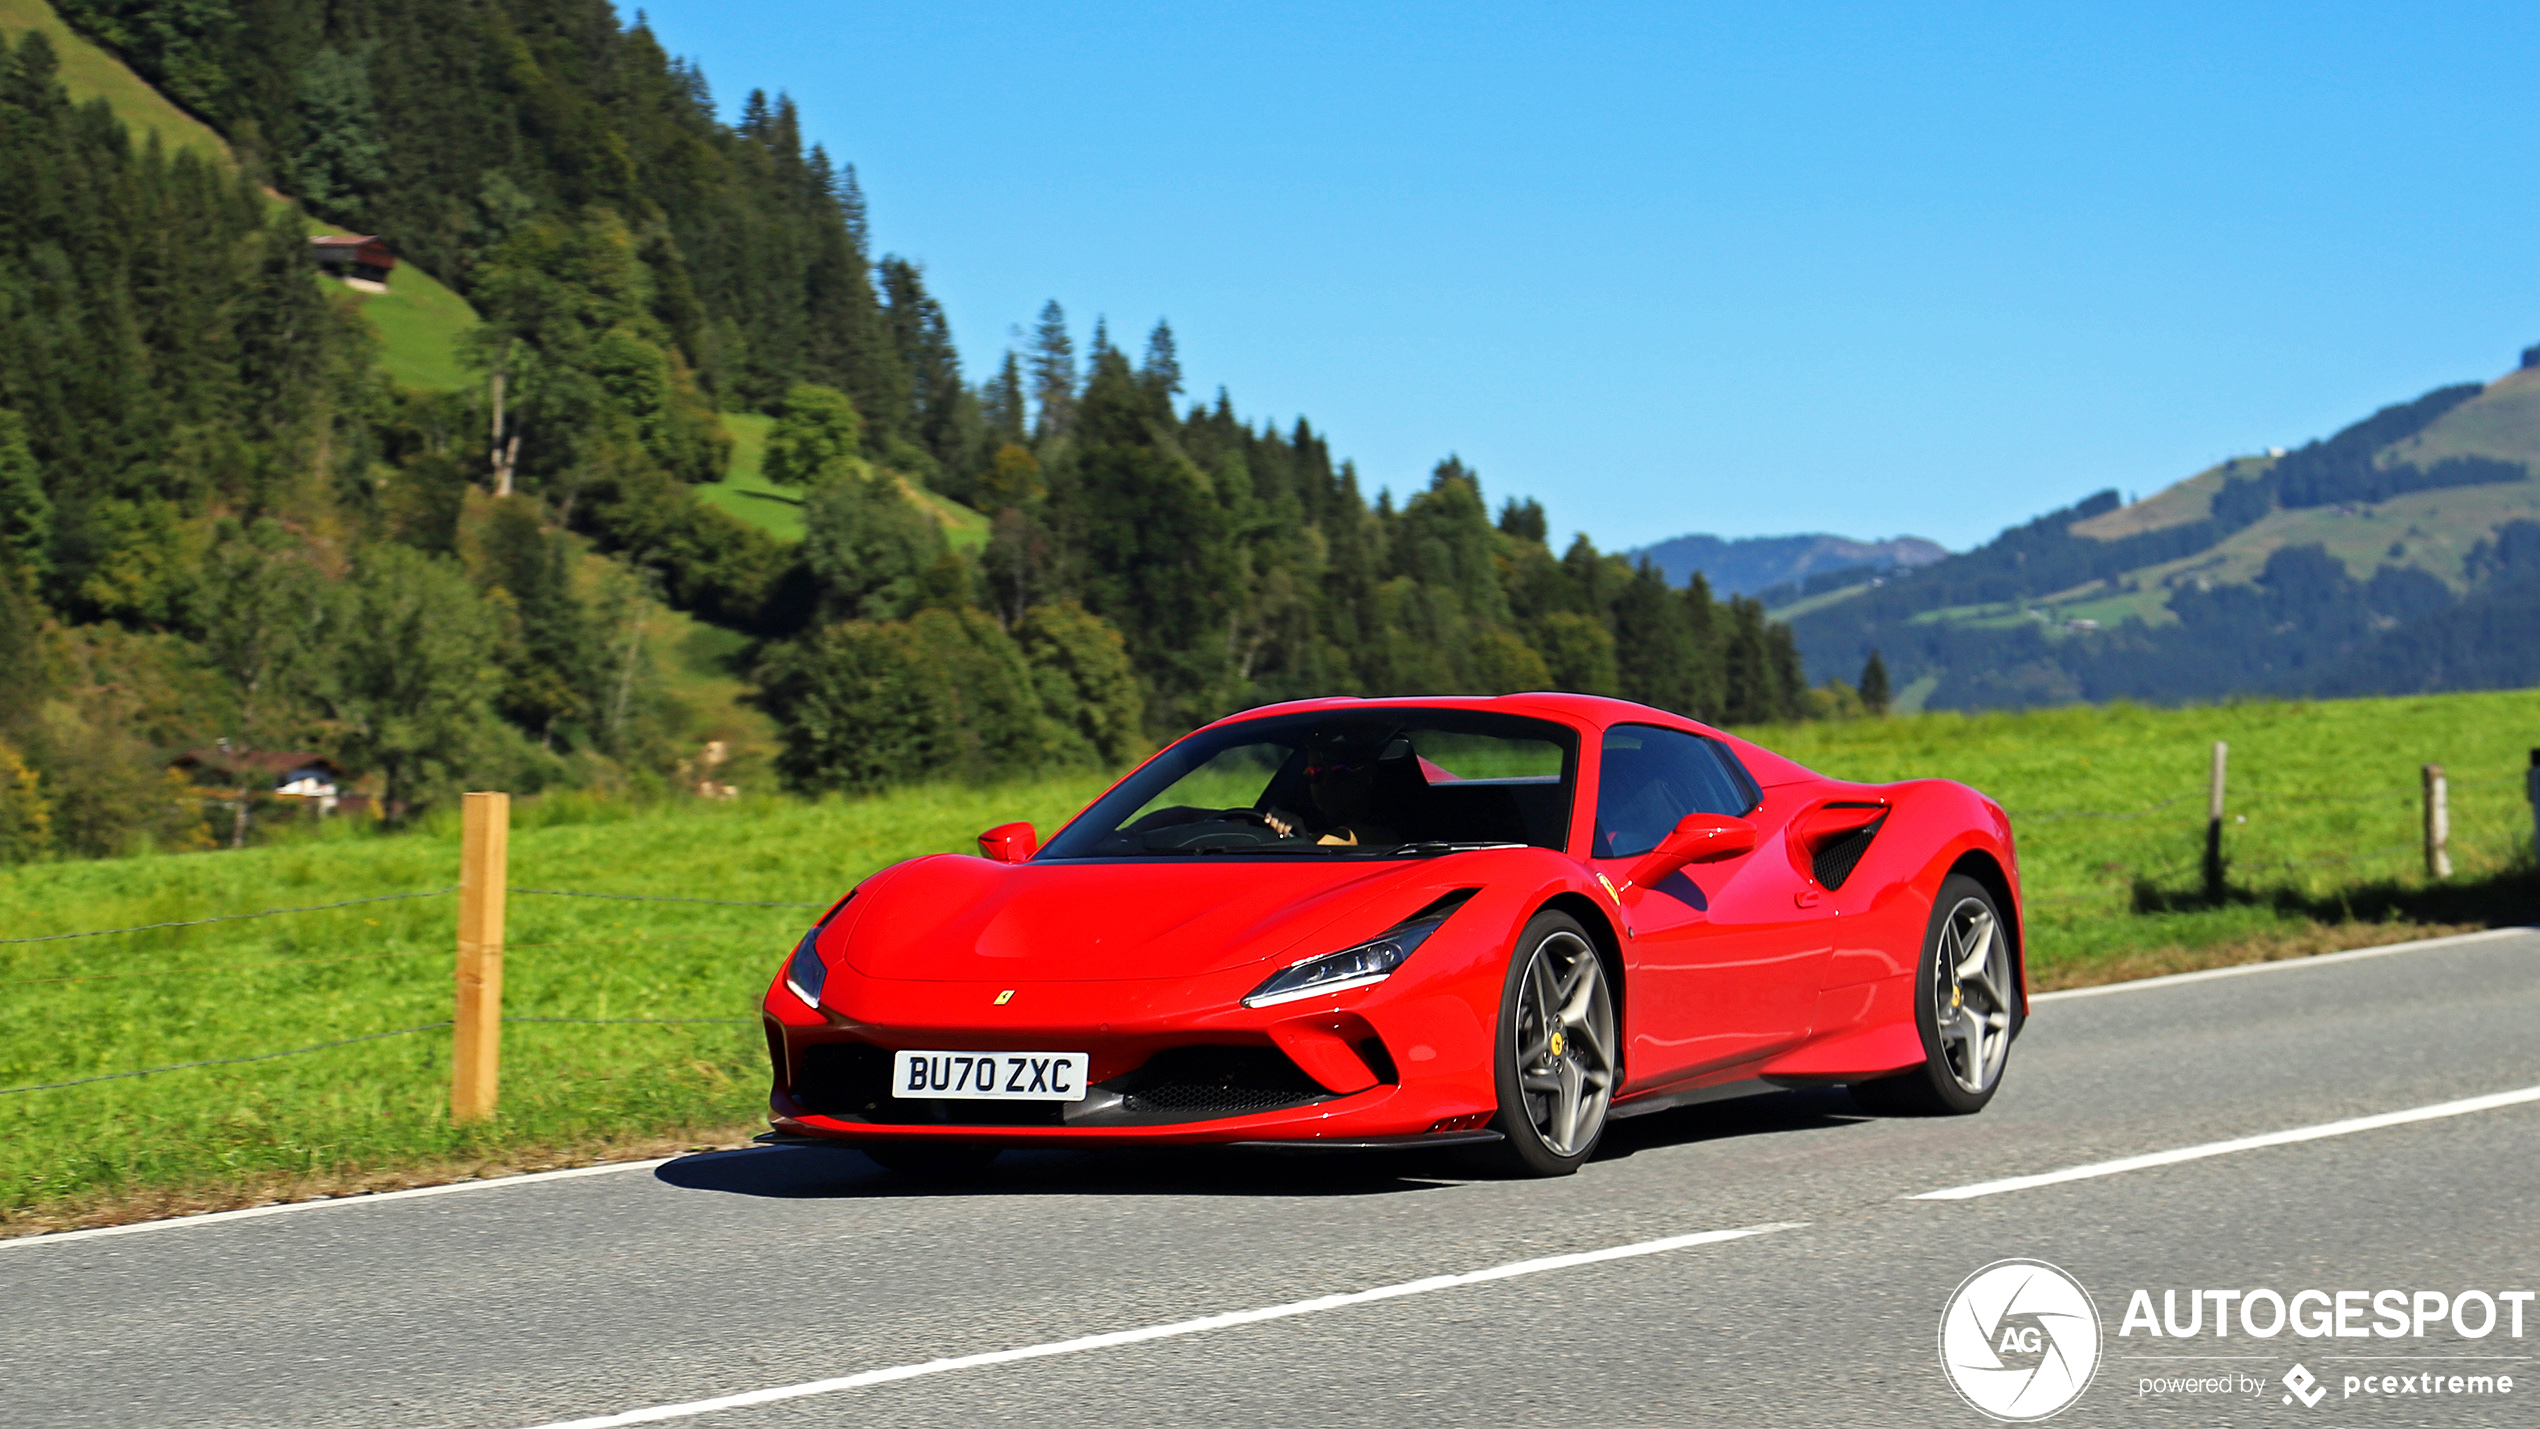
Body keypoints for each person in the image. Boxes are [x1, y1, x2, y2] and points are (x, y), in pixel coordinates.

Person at [1264, 740, 1408, 847]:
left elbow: (1353, 837)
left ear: (1366, 776)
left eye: (1340, 772)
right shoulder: (1308, 818)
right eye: (1315, 773)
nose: (1325, 782)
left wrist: (1301, 839)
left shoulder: (1385, 831)